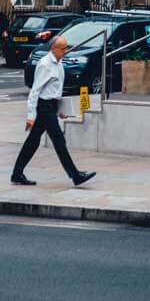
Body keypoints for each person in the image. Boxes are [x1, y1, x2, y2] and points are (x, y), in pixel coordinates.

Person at [11, 35, 96, 187]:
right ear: (53, 49)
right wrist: (31, 116)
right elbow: (35, 91)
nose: (66, 51)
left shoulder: (59, 63)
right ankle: (75, 175)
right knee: (58, 140)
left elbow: (55, 90)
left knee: (33, 141)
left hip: (51, 106)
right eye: (63, 49)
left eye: (66, 48)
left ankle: (17, 173)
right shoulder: (45, 64)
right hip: (44, 107)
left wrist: (60, 110)